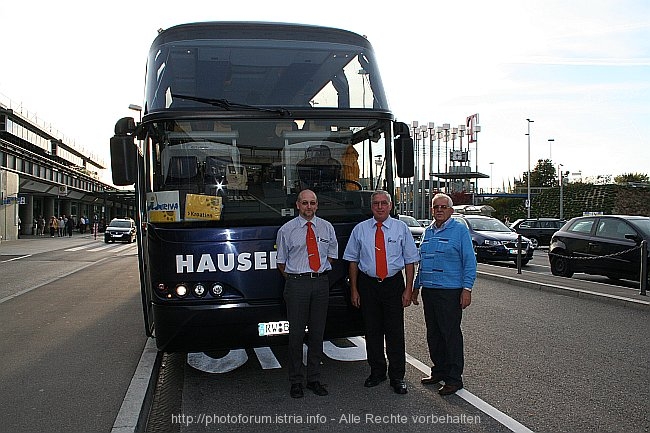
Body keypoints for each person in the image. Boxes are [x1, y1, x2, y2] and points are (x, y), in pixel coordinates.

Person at [343, 190, 418, 395]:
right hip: (368, 285)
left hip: (393, 284)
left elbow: (410, 260)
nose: (380, 207)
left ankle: (397, 376)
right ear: (371, 207)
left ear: (391, 206)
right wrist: (354, 290)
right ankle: (377, 372)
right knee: (372, 331)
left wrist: (408, 289)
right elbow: (353, 261)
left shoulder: (400, 228)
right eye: (376, 203)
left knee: (395, 332)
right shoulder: (360, 230)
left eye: (384, 203)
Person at [412, 193, 477, 396]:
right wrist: (416, 286)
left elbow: (470, 261)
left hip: (450, 292)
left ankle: (454, 378)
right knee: (434, 334)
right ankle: (438, 371)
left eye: (443, 207)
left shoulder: (459, 230)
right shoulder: (428, 231)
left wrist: (467, 289)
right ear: (431, 210)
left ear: (451, 210)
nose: (439, 210)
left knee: (450, 335)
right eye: (435, 207)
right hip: (429, 291)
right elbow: (422, 263)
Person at [276, 189, 338, 399]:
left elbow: (331, 256)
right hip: (296, 285)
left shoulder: (327, 228)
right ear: (297, 205)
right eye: (305, 203)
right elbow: (282, 263)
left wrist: (316, 274)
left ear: (317, 205)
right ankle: (296, 381)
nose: (309, 207)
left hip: (320, 283)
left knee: (317, 334)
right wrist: (298, 279)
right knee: (295, 336)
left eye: (312, 203)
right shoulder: (286, 230)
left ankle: (314, 379)